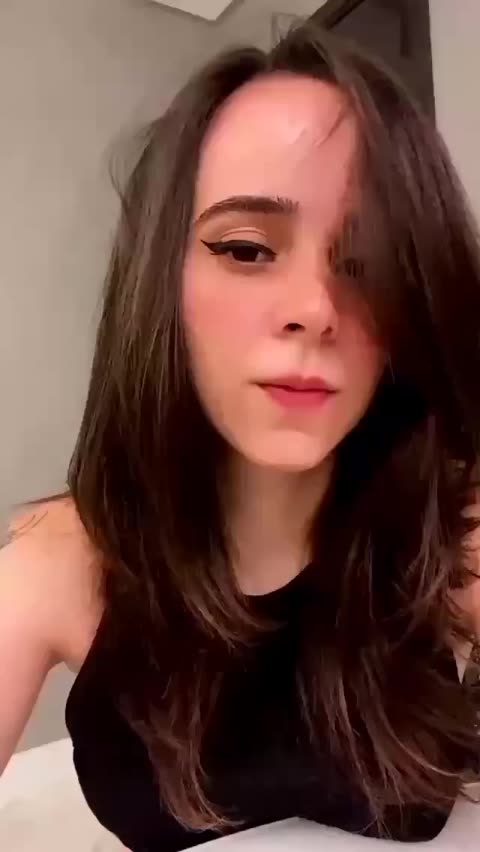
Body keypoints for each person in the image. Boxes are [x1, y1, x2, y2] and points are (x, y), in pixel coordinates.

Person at [1, 20, 480, 852]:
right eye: (248, 249)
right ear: (163, 280)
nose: (317, 309)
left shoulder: (453, 529)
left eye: (367, 264)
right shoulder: (61, 560)